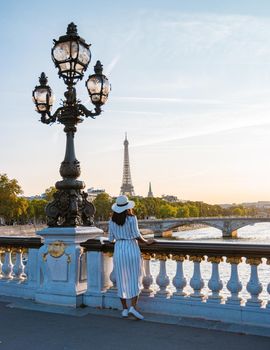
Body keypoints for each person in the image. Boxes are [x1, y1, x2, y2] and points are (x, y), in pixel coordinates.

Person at [108, 195, 155, 320]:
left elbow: (110, 239)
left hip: (119, 249)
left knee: (121, 279)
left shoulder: (111, 221)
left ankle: (124, 309)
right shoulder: (132, 218)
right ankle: (133, 307)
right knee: (135, 278)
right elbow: (136, 235)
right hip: (131, 248)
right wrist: (146, 242)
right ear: (128, 207)